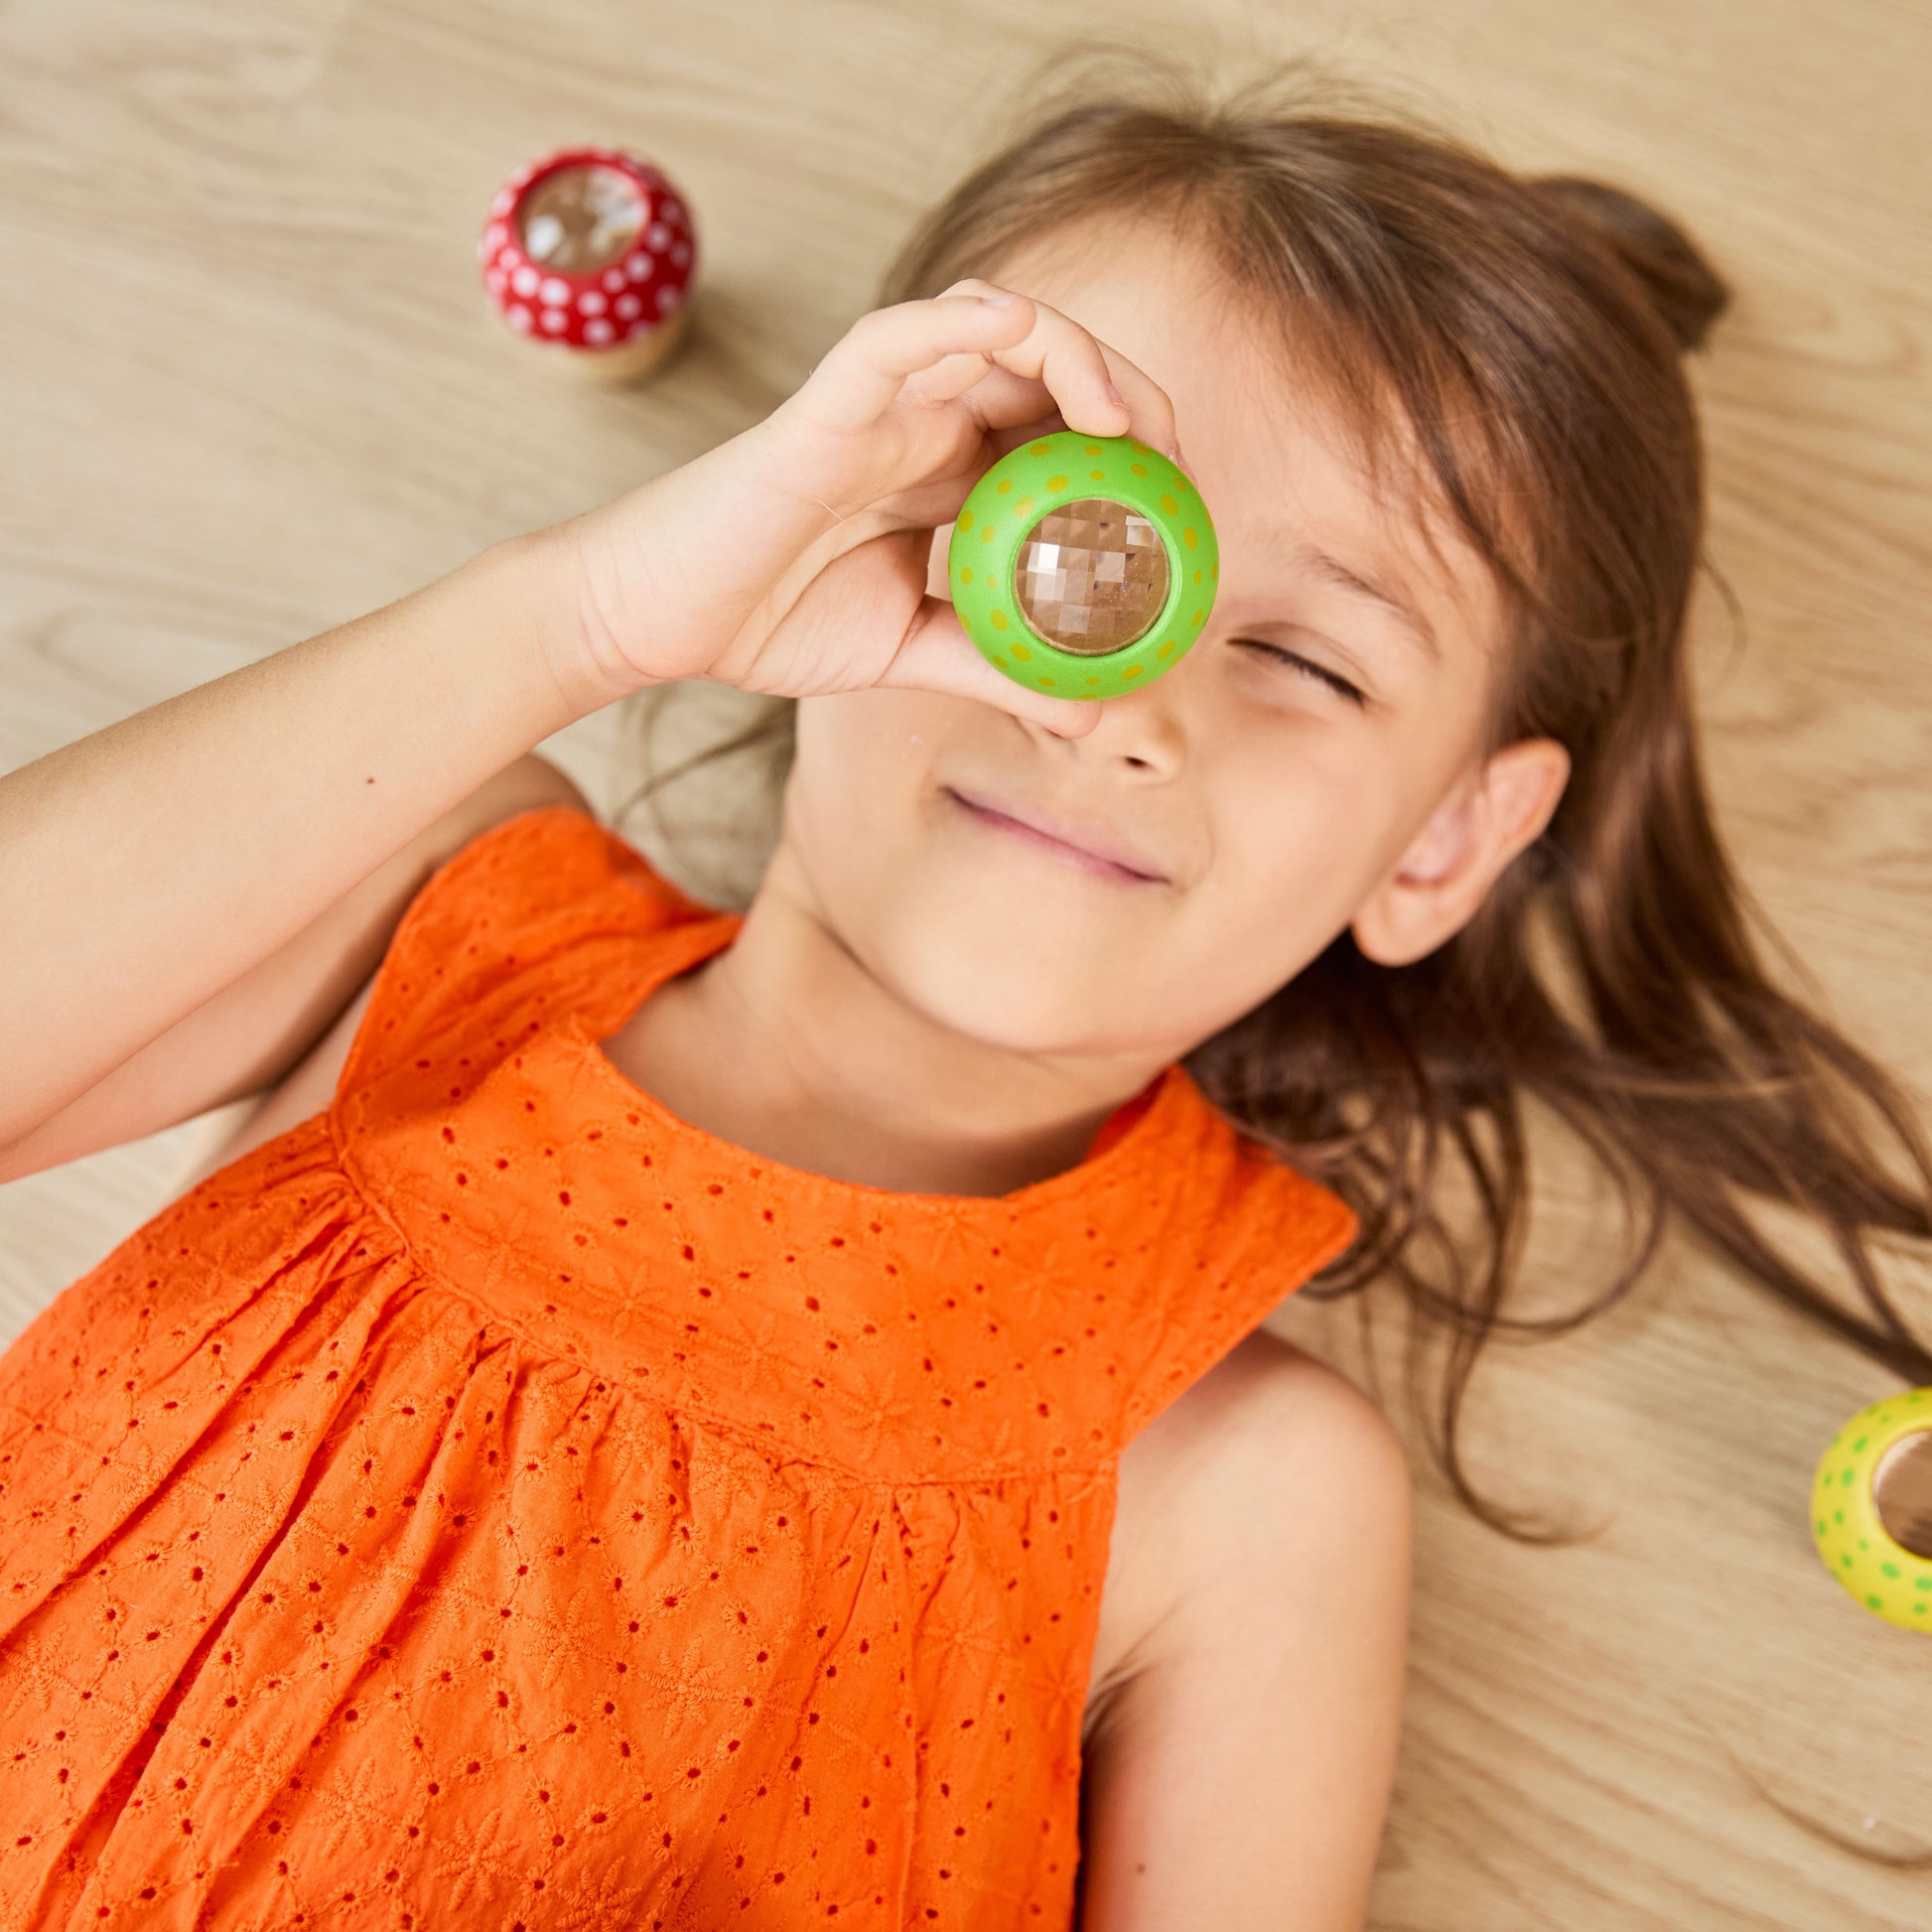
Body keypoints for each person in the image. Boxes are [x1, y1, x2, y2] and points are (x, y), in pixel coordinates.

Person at [2, 55, 1927, 1932]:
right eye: (1065, 542)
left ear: (1442, 844)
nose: (1117, 699)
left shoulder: (1245, 1494)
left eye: (1311, 662)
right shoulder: (431, 886)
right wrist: (577, 619)